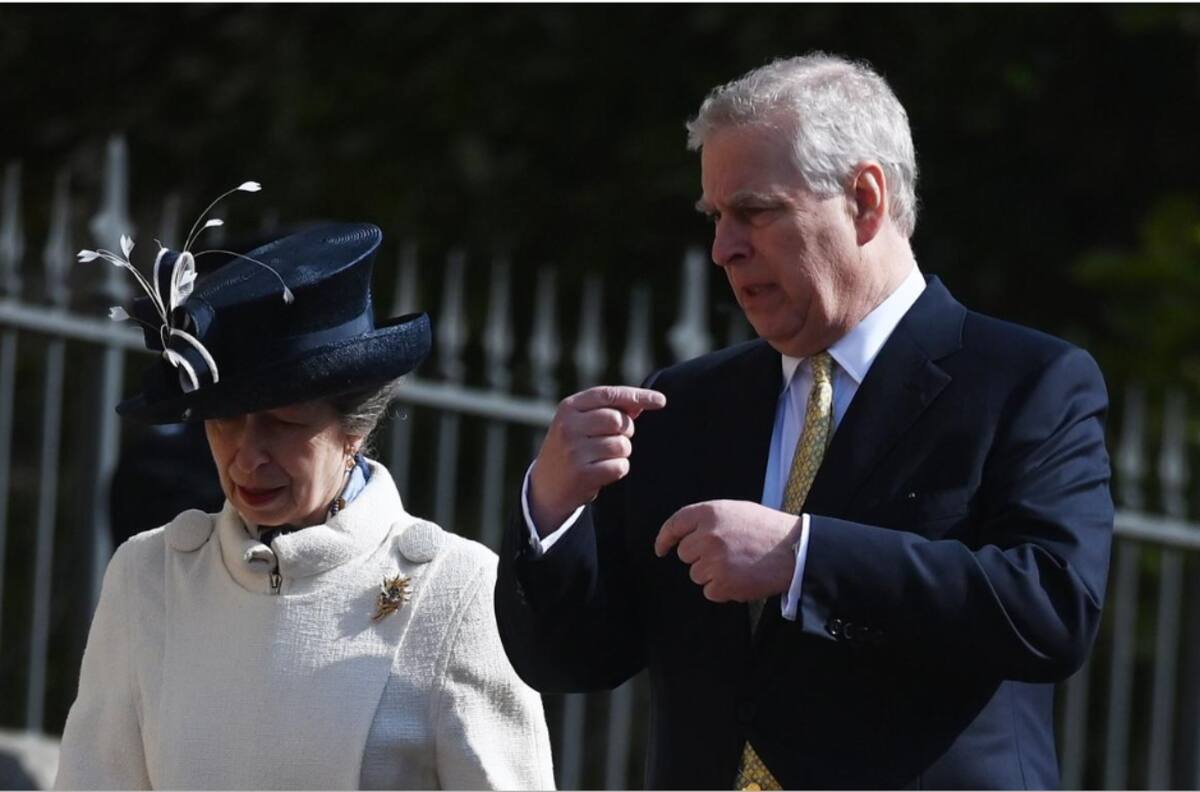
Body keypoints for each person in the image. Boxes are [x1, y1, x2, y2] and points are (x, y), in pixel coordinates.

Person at [495, 53, 1113, 789]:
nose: (725, 249)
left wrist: (804, 557)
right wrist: (553, 511)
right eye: (716, 218)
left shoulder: (1026, 382)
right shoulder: (686, 405)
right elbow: (570, 660)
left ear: (865, 199)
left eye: (756, 211)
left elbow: (1051, 608)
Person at [57, 217, 555, 789]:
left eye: (284, 423)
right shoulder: (149, 577)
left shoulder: (455, 592)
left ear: (354, 429)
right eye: (225, 421)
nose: (248, 457)